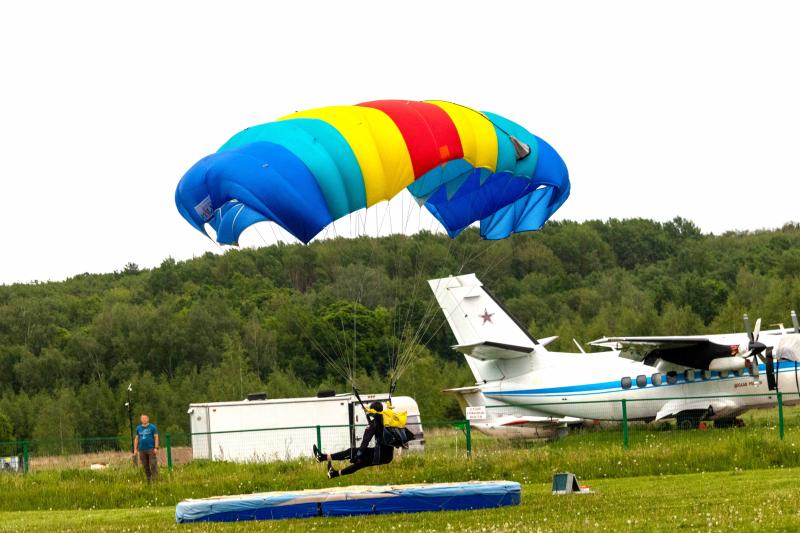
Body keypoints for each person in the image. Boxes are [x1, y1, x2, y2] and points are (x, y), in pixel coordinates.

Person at [313, 401, 413, 478]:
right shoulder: (388, 423)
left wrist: (358, 454)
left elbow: (366, 440)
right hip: (387, 457)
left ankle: (322, 457)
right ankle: (333, 473)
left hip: (378, 455)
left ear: (372, 412)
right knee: (359, 464)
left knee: (352, 452)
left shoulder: (374, 424)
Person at [133, 414, 159, 482]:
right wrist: (135, 449)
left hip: (151, 448)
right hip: (142, 449)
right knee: (145, 465)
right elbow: (136, 439)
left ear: (148, 419)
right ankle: (149, 479)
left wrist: (156, 447)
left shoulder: (152, 427)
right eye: (142, 418)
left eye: (145, 418)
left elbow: (156, 437)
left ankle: (155, 479)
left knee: (153, 464)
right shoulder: (138, 428)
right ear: (141, 420)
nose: (143, 420)